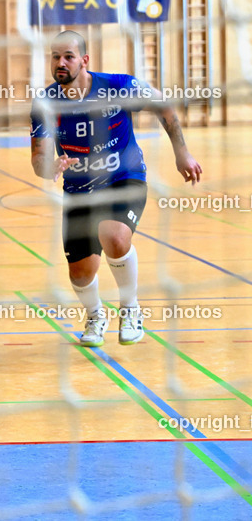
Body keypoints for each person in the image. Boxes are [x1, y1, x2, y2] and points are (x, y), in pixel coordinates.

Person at [30, 30, 203, 347]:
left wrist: (183, 152)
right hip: (79, 190)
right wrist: (47, 167)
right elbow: (38, 156)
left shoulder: (118, 86)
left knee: (114, 235)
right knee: (80, 275)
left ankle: (130, 308)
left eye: (68, 56)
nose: (61, 63)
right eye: (55, 57)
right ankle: (96, 315)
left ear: (84, 60)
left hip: (125, 177)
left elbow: (163, 106)